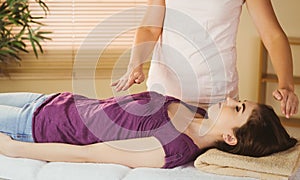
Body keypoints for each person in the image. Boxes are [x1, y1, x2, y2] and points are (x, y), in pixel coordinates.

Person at [111, 0, 299, 118]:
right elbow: (150, 28)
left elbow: (272, 35)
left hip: (218, 101)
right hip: (165, 94)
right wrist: (135, 63)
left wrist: (286, 85)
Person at [0, 91, 297, 168]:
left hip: (36, 126)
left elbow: (89, 155)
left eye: (238, 108)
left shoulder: (172, 149)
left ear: (230, 137)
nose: (231, 99)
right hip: (50, 101)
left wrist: (15, 149)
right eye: (240, 100)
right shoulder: (197, 112)